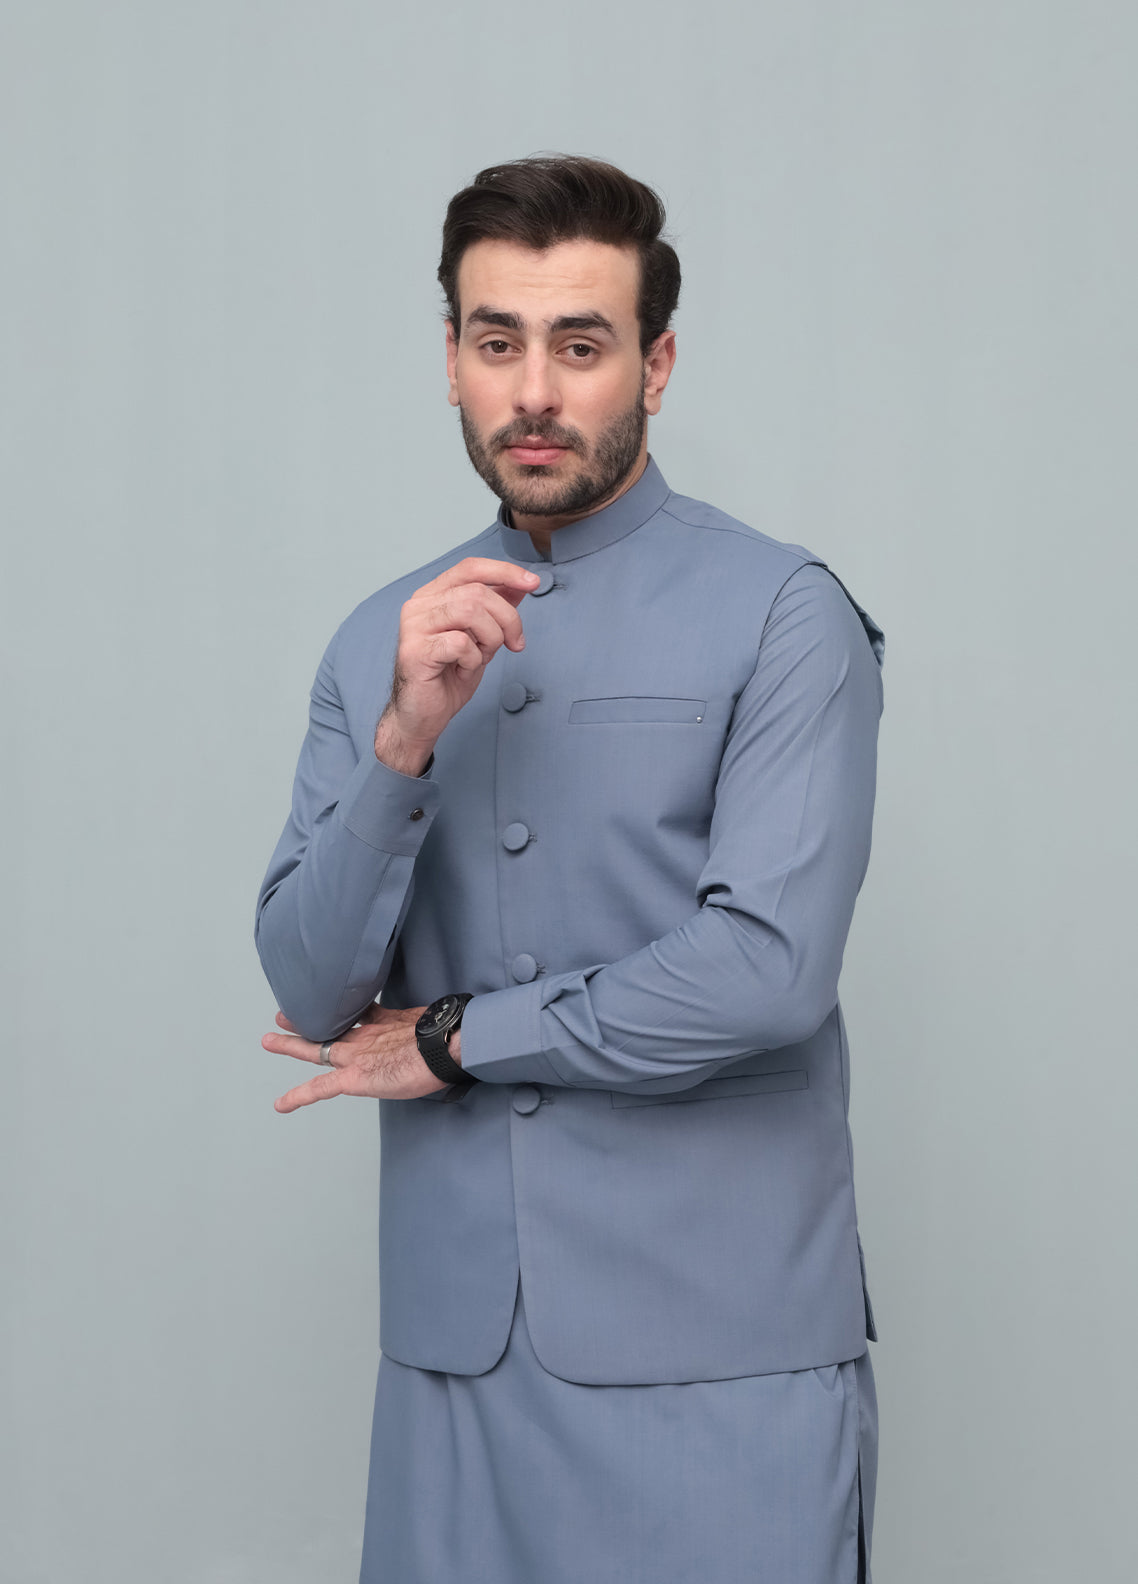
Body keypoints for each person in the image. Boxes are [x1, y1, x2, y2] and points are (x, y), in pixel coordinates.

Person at [255, 153, 885, 1584]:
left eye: (580, 346)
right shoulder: (379, 639)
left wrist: (458, 1037)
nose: (534, 391)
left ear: (654, 365)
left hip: (725, 1356)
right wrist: (405, 741)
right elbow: (310, 989)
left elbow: (767, 972)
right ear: (451, 361)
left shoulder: (784, 614)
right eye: (498, 343)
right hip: (457, 1368)